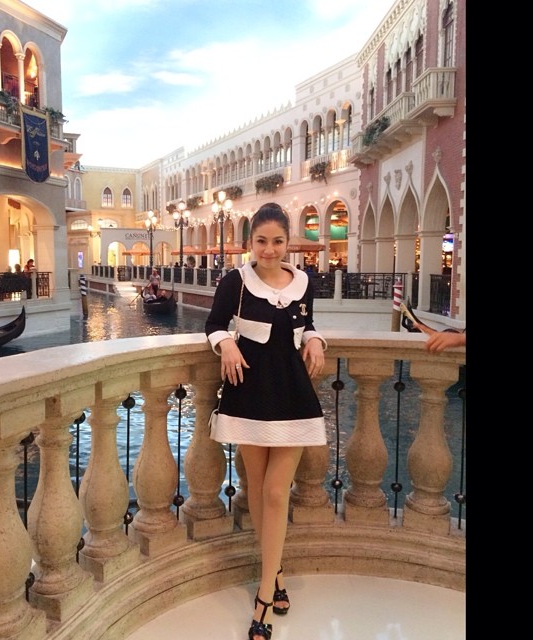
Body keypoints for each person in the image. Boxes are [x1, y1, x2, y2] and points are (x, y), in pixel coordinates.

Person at [204, 203, 327, 640]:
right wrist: (226, 345)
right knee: (257, 488)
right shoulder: (235, 281)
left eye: (277, 241)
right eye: (261, 241)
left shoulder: (304, 282)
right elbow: (214, 323)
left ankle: (262, 597)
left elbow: (306, 323)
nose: (269, 250)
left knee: (276, 491)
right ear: (249, 243)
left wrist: (315, 339)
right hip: (249, 392)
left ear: (287, 242)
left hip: (292, 394)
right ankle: (275, 574)